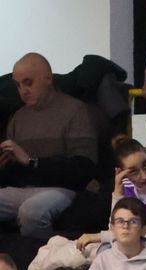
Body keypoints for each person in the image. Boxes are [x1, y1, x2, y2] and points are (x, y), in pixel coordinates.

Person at [0, 53, 96, 240]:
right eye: (18, 85)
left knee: (32, 212)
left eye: (28, 82)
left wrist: (31, 162)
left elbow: (83, 169)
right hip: (22, 188)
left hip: (62, 188)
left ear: (48, 78)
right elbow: (15, 172)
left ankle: (39, 261)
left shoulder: (75, 111)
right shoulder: (18, 117)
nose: (23, 91)